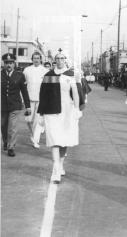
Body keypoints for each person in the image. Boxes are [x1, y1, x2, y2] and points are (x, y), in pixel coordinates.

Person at [37, 52, 81, 183]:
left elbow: (76, 94)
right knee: (54, 139)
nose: (60, 60)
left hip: (67, 111)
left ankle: (61, 164)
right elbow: (43, 95)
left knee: (64, 140)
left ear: (65, 60)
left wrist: (77, 109)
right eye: (58, 58)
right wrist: (40, 114)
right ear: (55, 61)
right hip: (51, 111)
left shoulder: (70, 74)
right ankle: (56, 168)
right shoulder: (49, 75)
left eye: (62, 58)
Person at [1, 53, 31, 156]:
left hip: (15, 106)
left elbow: (24, 91)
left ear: (14, 64)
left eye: (11, 63)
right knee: (3, 126)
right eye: (6, 63)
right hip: (2, 106)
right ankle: (5, 142)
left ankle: (11, 147)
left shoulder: (19, 75)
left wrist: (28, 106)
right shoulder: (0, 75)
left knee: (12, 127)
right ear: (3, 64)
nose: (9, 65)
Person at [23, 52, 48, 148]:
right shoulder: (27, 70)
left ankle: (35, 140)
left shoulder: (45, 70)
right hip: (29, 99)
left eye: (38, 58)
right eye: (34, 58)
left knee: (38, 121)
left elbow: (47, 86)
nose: (36, 60)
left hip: (41, 99)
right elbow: (23, 85)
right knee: (28, 120)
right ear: (32, 59)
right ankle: (33, 135)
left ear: (40, 59)